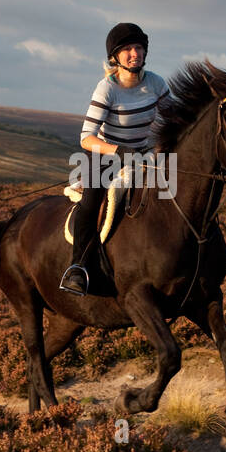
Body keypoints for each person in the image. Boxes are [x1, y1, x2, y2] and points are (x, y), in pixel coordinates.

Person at [59, 22, 168, 296]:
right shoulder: (106, 89)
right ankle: (78, 268)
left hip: (142, 154)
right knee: (92, 200)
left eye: (139, 47)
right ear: (115, 57)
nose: (135, 53)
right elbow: (86, 138)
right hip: (104, 156)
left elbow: (173, 121)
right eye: (128, 49)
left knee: (172, 191)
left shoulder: (156, 83)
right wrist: (119, 151)